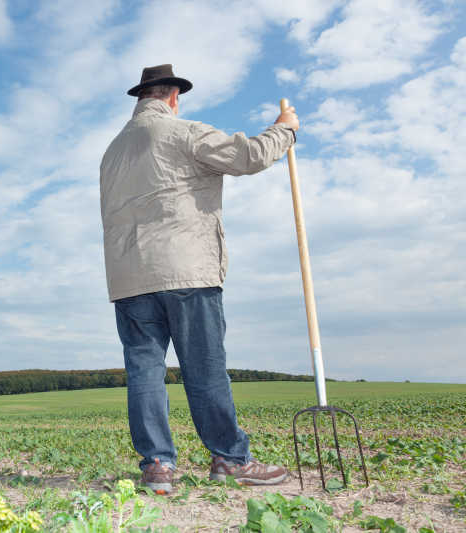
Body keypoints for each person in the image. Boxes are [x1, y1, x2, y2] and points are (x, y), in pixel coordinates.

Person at [100, 64, 299, 493]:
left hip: (129, 277)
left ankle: (156, 467)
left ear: (142, 98)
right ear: (172, 96)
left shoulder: (112, 152)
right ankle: (230, 458)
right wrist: (285, 129)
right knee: (205, 368)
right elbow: (248, 157)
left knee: (145, 373)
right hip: (185, 269)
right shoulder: (182, 132)